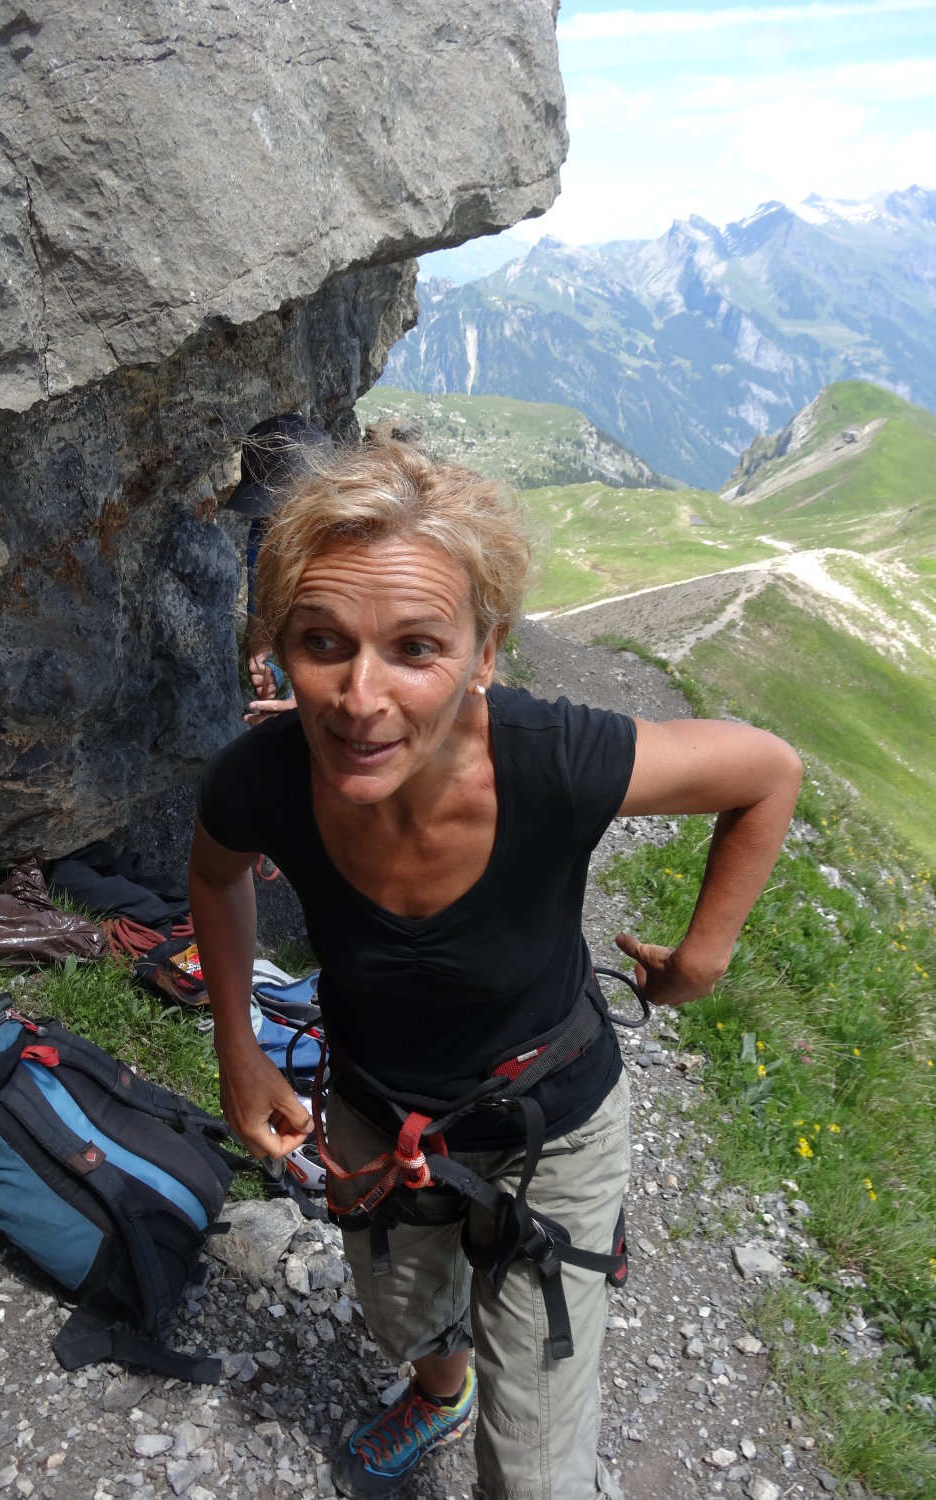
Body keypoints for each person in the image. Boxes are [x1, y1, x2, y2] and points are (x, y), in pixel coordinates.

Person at [188, 441, 802, 1500]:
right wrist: (237, 1048)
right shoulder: (262, 780)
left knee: (535, 1470)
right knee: (401, 1316)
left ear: (484, 655)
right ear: (278, 647)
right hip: (377, 1113)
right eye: (323, 642)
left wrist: (703, 957)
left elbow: (766, 772)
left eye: (415, 648)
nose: (359, 697)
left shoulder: (551, 761)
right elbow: (215, 874)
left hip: (548, 1125)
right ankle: (441, 1393)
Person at [224, 412, 332, 720]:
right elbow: (261, 619)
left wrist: (304, 706)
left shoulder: (356, 548)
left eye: (280, 507)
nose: (271, 520)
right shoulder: (265, 533)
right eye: (264, 508)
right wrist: (264, 663)